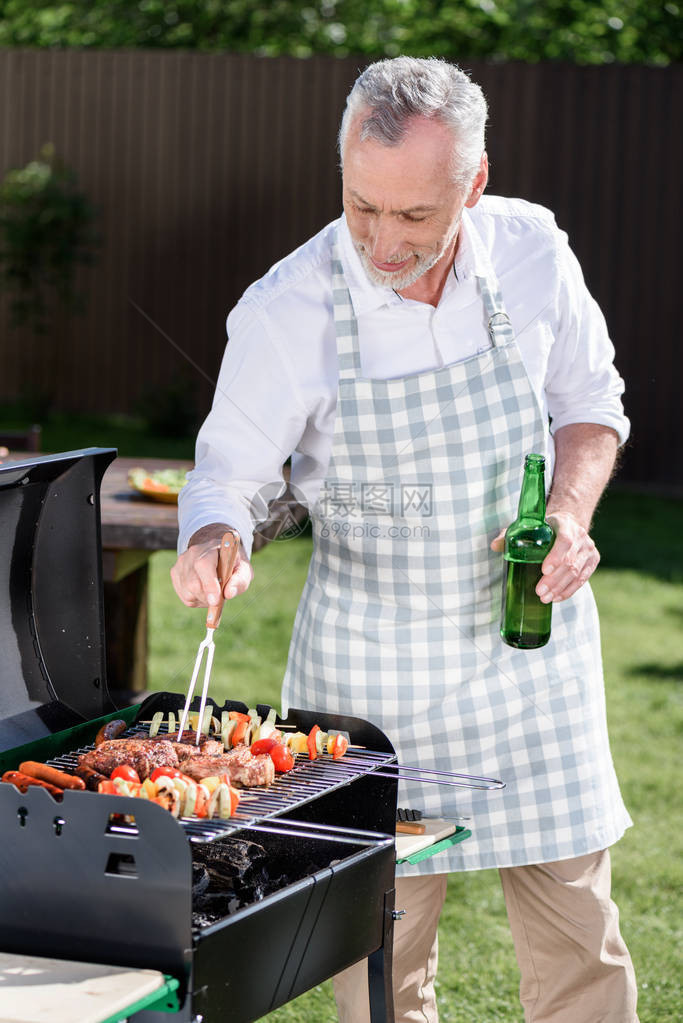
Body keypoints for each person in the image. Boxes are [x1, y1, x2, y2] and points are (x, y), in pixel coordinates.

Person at [171, 57, 638, 1023]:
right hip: (369, 679)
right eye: (360, 207)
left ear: (472, 182)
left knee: (581, 949)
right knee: (379, 963)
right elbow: (228, 477)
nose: (382, 241)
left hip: (529, 660)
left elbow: (590, 406)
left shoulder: (531, 251)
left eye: (414, 217)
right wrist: (215, 533)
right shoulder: (285, 306)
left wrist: (570, 512)